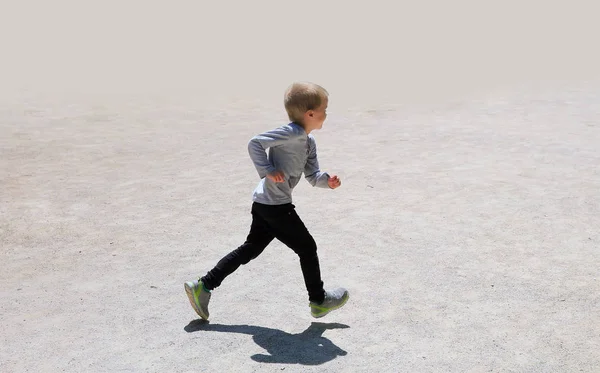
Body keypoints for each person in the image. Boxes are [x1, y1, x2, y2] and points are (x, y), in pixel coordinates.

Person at [185, 82, 349, 320]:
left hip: (265, 203)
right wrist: (268, 170)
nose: (327, 113)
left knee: (250, 248)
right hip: (276, 205)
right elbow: (255, 143)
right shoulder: (291, 132)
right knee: (307, 247)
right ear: (310, 114)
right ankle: (319, 300)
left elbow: (313, 176)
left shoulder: (309, 142)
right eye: (325, 109)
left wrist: (328, 181)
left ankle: (203, 286)